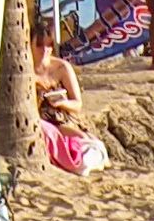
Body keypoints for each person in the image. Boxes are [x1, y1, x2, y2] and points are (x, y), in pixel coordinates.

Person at [33, 25, 109, 174]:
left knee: (85, 142)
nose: (44, 50)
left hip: (62, 118)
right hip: (40, 120)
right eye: (39, 45)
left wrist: (61, 102)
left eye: (48, 45)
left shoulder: (62, 68)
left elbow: (77, 104)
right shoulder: (23, 71)